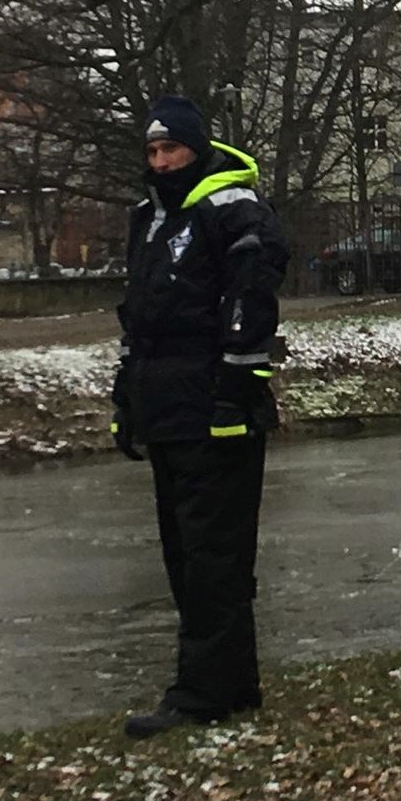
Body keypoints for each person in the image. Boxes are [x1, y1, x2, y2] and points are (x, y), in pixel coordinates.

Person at [110, 96, 288, 738]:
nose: (161, 161)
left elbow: (251, 301)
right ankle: (230, 684)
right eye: (153, 151)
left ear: (198, 148)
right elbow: (140, 319)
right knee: (185, 554)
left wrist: (235, 392)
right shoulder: (150, 218)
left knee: (214, 555)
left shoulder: (232, 209)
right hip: (166, 406)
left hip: (215, 407)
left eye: (172, 149)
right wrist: (127, 401)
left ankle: (202, 693)